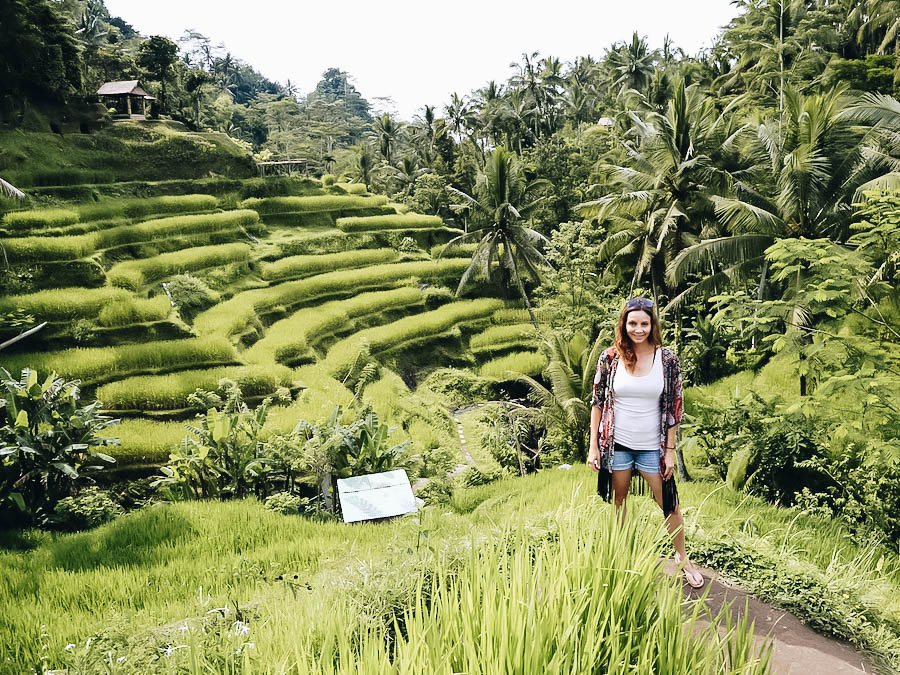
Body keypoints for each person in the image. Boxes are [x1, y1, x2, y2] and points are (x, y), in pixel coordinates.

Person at [587, 296, 704, 589]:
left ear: (652, 325)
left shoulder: (667, 360)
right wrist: (593, 447)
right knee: (619, 501)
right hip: (617, 445)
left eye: (644, 323)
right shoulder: (610, 358)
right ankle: (624, 555)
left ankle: (682, 558)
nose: (638, 329)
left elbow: (675, 406)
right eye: (632, 323)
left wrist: (669, 450)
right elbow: (597, 403)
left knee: (670, 504)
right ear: (624, 325)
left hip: (652, 447)